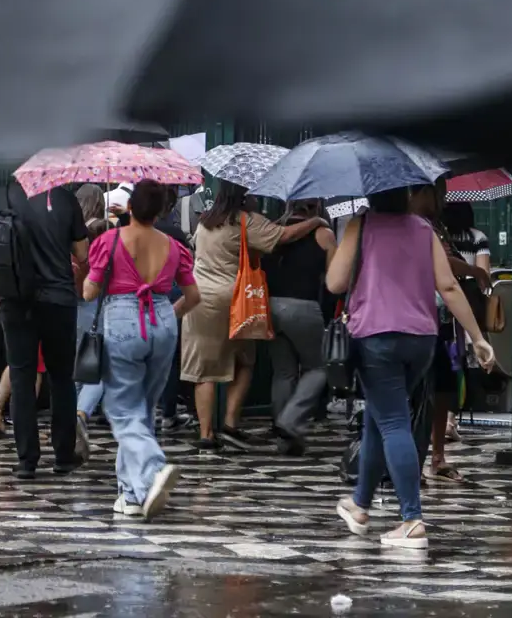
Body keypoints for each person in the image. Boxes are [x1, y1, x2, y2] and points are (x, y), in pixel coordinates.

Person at [329, 187, 495, 549]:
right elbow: (449, 286)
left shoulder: (361, 225)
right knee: (380, 415)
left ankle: (411, 519)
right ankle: (359, 505)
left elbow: (334, 283)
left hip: (376, 336)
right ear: (405, 193)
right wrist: (478, 337)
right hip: (421, 339)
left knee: (392, 421)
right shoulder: (423, 228)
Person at [84, 180, 200, 519]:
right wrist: (164, 317)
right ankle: (131, 494)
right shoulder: (175, 246)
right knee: (142, 409)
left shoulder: (109, 240)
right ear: (162, 210)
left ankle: (152, 470)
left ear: (130, 207)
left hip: (121, 320)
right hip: (163, 320)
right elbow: (193, 298)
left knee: (121, 409)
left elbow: (90, 293)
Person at [180, 181, 324, 451]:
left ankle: (206, 434)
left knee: (204, 370)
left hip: (200, 298)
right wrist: (315, 221)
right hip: (235, 300)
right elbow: (284, 235)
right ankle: (231, 423)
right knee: (245, 360)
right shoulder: (246, 221)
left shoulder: (206, 221)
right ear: (245, 196)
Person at [0, 183, 88, 480]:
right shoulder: (66, 199)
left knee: (21, 376)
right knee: (61, 378)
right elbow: (82, 254)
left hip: (14, 300)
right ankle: (63, 456)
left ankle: (26, 460)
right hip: (58, 300)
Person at [410, 184, 491, 483]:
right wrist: (478, 272)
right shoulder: (415, 227)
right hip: (419, 317)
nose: (441, 200)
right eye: (436, 193)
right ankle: (419, 459)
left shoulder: (435, 226)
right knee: (420, 390)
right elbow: (444, 269)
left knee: (442, 386)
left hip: (440, 316)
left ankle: (436, 457)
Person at [261, 199, 337, 455]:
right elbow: (333, 279)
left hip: (269, 306)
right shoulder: (324, 234)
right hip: (303, 307)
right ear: (315, 207)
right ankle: (291, 420)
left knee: (283, 371)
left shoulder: (271, 230)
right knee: (319, 367)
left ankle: (285, 437)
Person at [440, 200, 493, 442]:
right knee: (467, 358)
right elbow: (484, 273)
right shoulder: (478, 237)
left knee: (448, 358)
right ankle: (451, 418)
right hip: (469, 302)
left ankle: (442, 421)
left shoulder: (440, 237)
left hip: (442, 302)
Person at [73, 184, 108, 456]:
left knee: (76, 365)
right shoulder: (103, 229)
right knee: (98, 367)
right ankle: (81, 414)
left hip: (68, 301)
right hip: (94, 302)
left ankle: (72, 423)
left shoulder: (69, 230)